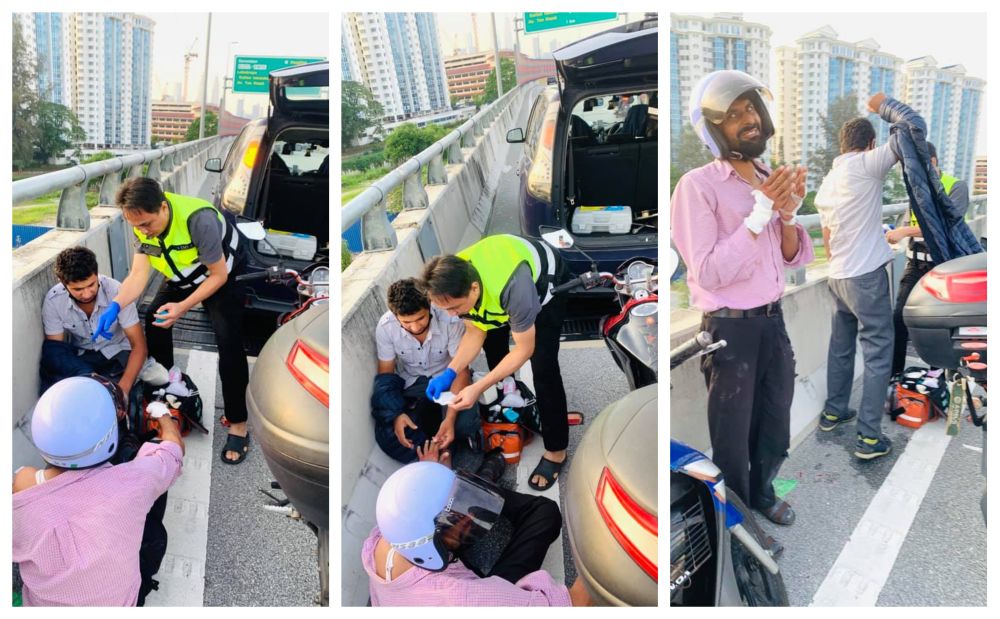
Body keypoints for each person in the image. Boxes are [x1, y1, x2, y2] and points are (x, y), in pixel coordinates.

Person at [671, 70, 813, 532]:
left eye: (751, 107)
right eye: (733, 114)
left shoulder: (769, 177)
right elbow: (708, 271)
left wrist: (786, 214)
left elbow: (793, 258)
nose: (748, 118)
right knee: (731, 437)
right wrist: (759, 214)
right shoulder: (698, 186)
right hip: (729, 329)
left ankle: (763, 493)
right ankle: (737, 521)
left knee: (775, 420)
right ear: (715, 129)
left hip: (773, 321)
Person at [96, 177, 250, 464]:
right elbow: (138, 275)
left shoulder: (198, 220)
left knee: (229, 343)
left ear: (163, 208)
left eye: (147, 225)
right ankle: (168, 390)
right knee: (154, 322)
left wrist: (181, 307)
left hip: (221, 277)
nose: (143, 232)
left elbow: (218, 275)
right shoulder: (142, 225)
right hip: (182, 275)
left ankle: (238, 423)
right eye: (136, 227)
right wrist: (115, 305)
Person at [418, 234, 577, 491]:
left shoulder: (514, 288)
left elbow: (525, 349)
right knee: (495, 353)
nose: (451, 315)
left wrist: (477, 388)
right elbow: (475, 332)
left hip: (545, 286)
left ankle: (556, 450)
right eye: (445, 309)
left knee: (543, 368)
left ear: (473, 288)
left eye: (455, 308)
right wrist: (450, 371)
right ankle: (520, 405)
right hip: (494, 292)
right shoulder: (451, 279)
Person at [13, 376, 184, 606]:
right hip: (121, 603)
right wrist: (162, 414)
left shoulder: (20, 495)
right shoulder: (135, 481)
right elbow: (173, 450)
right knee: (155, 466)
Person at [814, 95, 918, 460]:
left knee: (840, 347)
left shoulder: (828, 181)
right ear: (869, 144)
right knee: (878, 352)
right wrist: (885, 106)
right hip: (866, 275)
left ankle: (834, 411)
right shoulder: (866, 164)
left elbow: (826, 239)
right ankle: (869, 437)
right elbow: (911, 130)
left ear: (843, 145)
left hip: (837, 276)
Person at [363, 445, 591, 606]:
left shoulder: (382, 541)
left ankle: (481, 480)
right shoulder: (464, 598)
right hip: (464, 595)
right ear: (427, 549)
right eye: (456, 520)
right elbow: (574, 604)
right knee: (546, 513)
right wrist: (604, 543)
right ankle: (486, 477)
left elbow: (411, 502)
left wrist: (431, 475)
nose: (469, 519)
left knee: (463, 492)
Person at [886, 140, 971, 377]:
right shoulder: (916, 188)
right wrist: (894, 232)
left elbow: (943, 227)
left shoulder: (956, 187)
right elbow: (908, 222)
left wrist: (904, 232)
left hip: (941, 265)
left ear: (932, 162)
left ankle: (939, 378)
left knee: (938, 323)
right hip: (914, 262)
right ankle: (895, 376)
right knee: (899, 318)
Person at [372, 278, 480, 463]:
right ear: (395, 315)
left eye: (421, 318)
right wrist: (397, 414)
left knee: (463, 424)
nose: (415, 327)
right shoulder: (386, 327)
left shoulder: (450, 319)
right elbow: (386, 377)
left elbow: (461, 370)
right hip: (413, 383)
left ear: (430, 306)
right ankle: (437, 455)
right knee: (389, 432)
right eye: (406, 322)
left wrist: (450, 419)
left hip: (448, 380)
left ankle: (446, 444)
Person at [40, 246, 147, 395]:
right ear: (64, 284)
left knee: (114, 397)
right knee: (61, 389)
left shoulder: (117, 292)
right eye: (78, 289)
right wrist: (85, 374)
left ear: (97, 274)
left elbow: (139, 346)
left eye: (91, 285)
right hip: (84, 358)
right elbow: (56, 352)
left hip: (119, 353)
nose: (86, 294)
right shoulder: (54, 301)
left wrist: (124, 390)